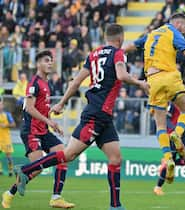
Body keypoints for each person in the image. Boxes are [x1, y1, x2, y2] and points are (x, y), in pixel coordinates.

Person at [11, 24, 148, 210]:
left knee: (116, 158)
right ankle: (26, 170)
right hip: (97, 113)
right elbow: (122, 75)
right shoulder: (118, 53)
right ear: (120, 38)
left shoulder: (93, 54)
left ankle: (116, 206)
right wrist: (140, 83)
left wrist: (62, 103)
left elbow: (76, 81)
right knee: (68, 155)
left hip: (103, 116)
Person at [124, 13, 185, 183]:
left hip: (152, 81)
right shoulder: (174, 33)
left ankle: (168, 158)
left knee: (160, 125)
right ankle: (177, 134)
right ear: (179, 23)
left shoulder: (151, 34)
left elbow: (130, 46)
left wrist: (115, 52)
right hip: (170, 77)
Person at [1, 50, 75, 209]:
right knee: (35, 170)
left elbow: (41, 109)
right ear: (38, 64)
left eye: (51, 60)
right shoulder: (34, 82)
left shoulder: (46, 83)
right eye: (46, 60)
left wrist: (51, 114)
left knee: (64, 155)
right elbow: (29, 108)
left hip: (43, 130)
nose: (50, 63)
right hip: (31, 131)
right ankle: (9, 193)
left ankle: (56, 197)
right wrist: (50, 121)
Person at [154, 103, 185, 196]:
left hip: (182, 138)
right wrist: (175, 130)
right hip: (172, 137)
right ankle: (158, 187)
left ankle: (166, 163)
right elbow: (166, 119)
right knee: (170, 163)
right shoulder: (173, 105)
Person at [0, 100, 16, 177]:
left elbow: (13, 124)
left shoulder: (7, 115)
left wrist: (5, 125)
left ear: (2, 106)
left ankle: (10, 170)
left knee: (9, 156)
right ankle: (0, 170)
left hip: (6, 139)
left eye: (0, 104)